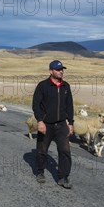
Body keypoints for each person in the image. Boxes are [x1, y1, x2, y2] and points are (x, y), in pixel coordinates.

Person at [32, 60, 74, 189]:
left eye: (62, 69)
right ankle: (40, 171)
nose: (61, 71)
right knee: (42, 150)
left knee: (65, 151)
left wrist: (71, 123)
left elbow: (69, 106)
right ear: (51, 71)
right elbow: (36, 105)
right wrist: (40, 121)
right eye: (58, 69)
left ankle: (63, 177)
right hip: (46, 124)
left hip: (61, 124)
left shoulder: (66, 86)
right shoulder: (43, 86)